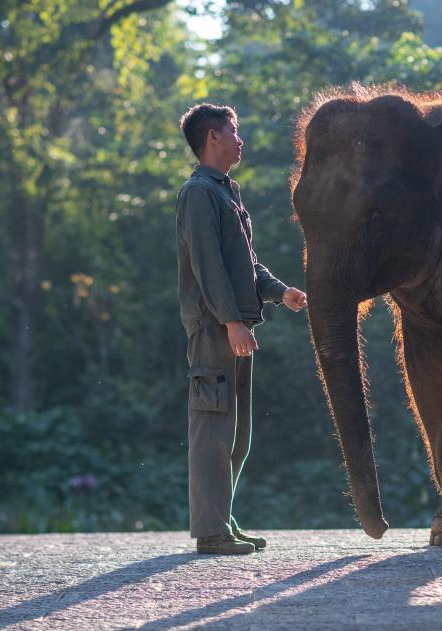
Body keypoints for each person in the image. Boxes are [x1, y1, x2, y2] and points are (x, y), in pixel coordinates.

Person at [175, 103, 307, 555]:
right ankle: (210, 532)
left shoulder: (226, 191)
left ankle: (223, 522)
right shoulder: (199, 193)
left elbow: (244, 263)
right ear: (213, 137)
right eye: (234, 130)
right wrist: (231, 322)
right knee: (213, 432)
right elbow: (208, 266)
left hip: (235, 328)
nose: (240, 139)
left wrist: (278, 291)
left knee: (237, 435)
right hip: (216, 329)